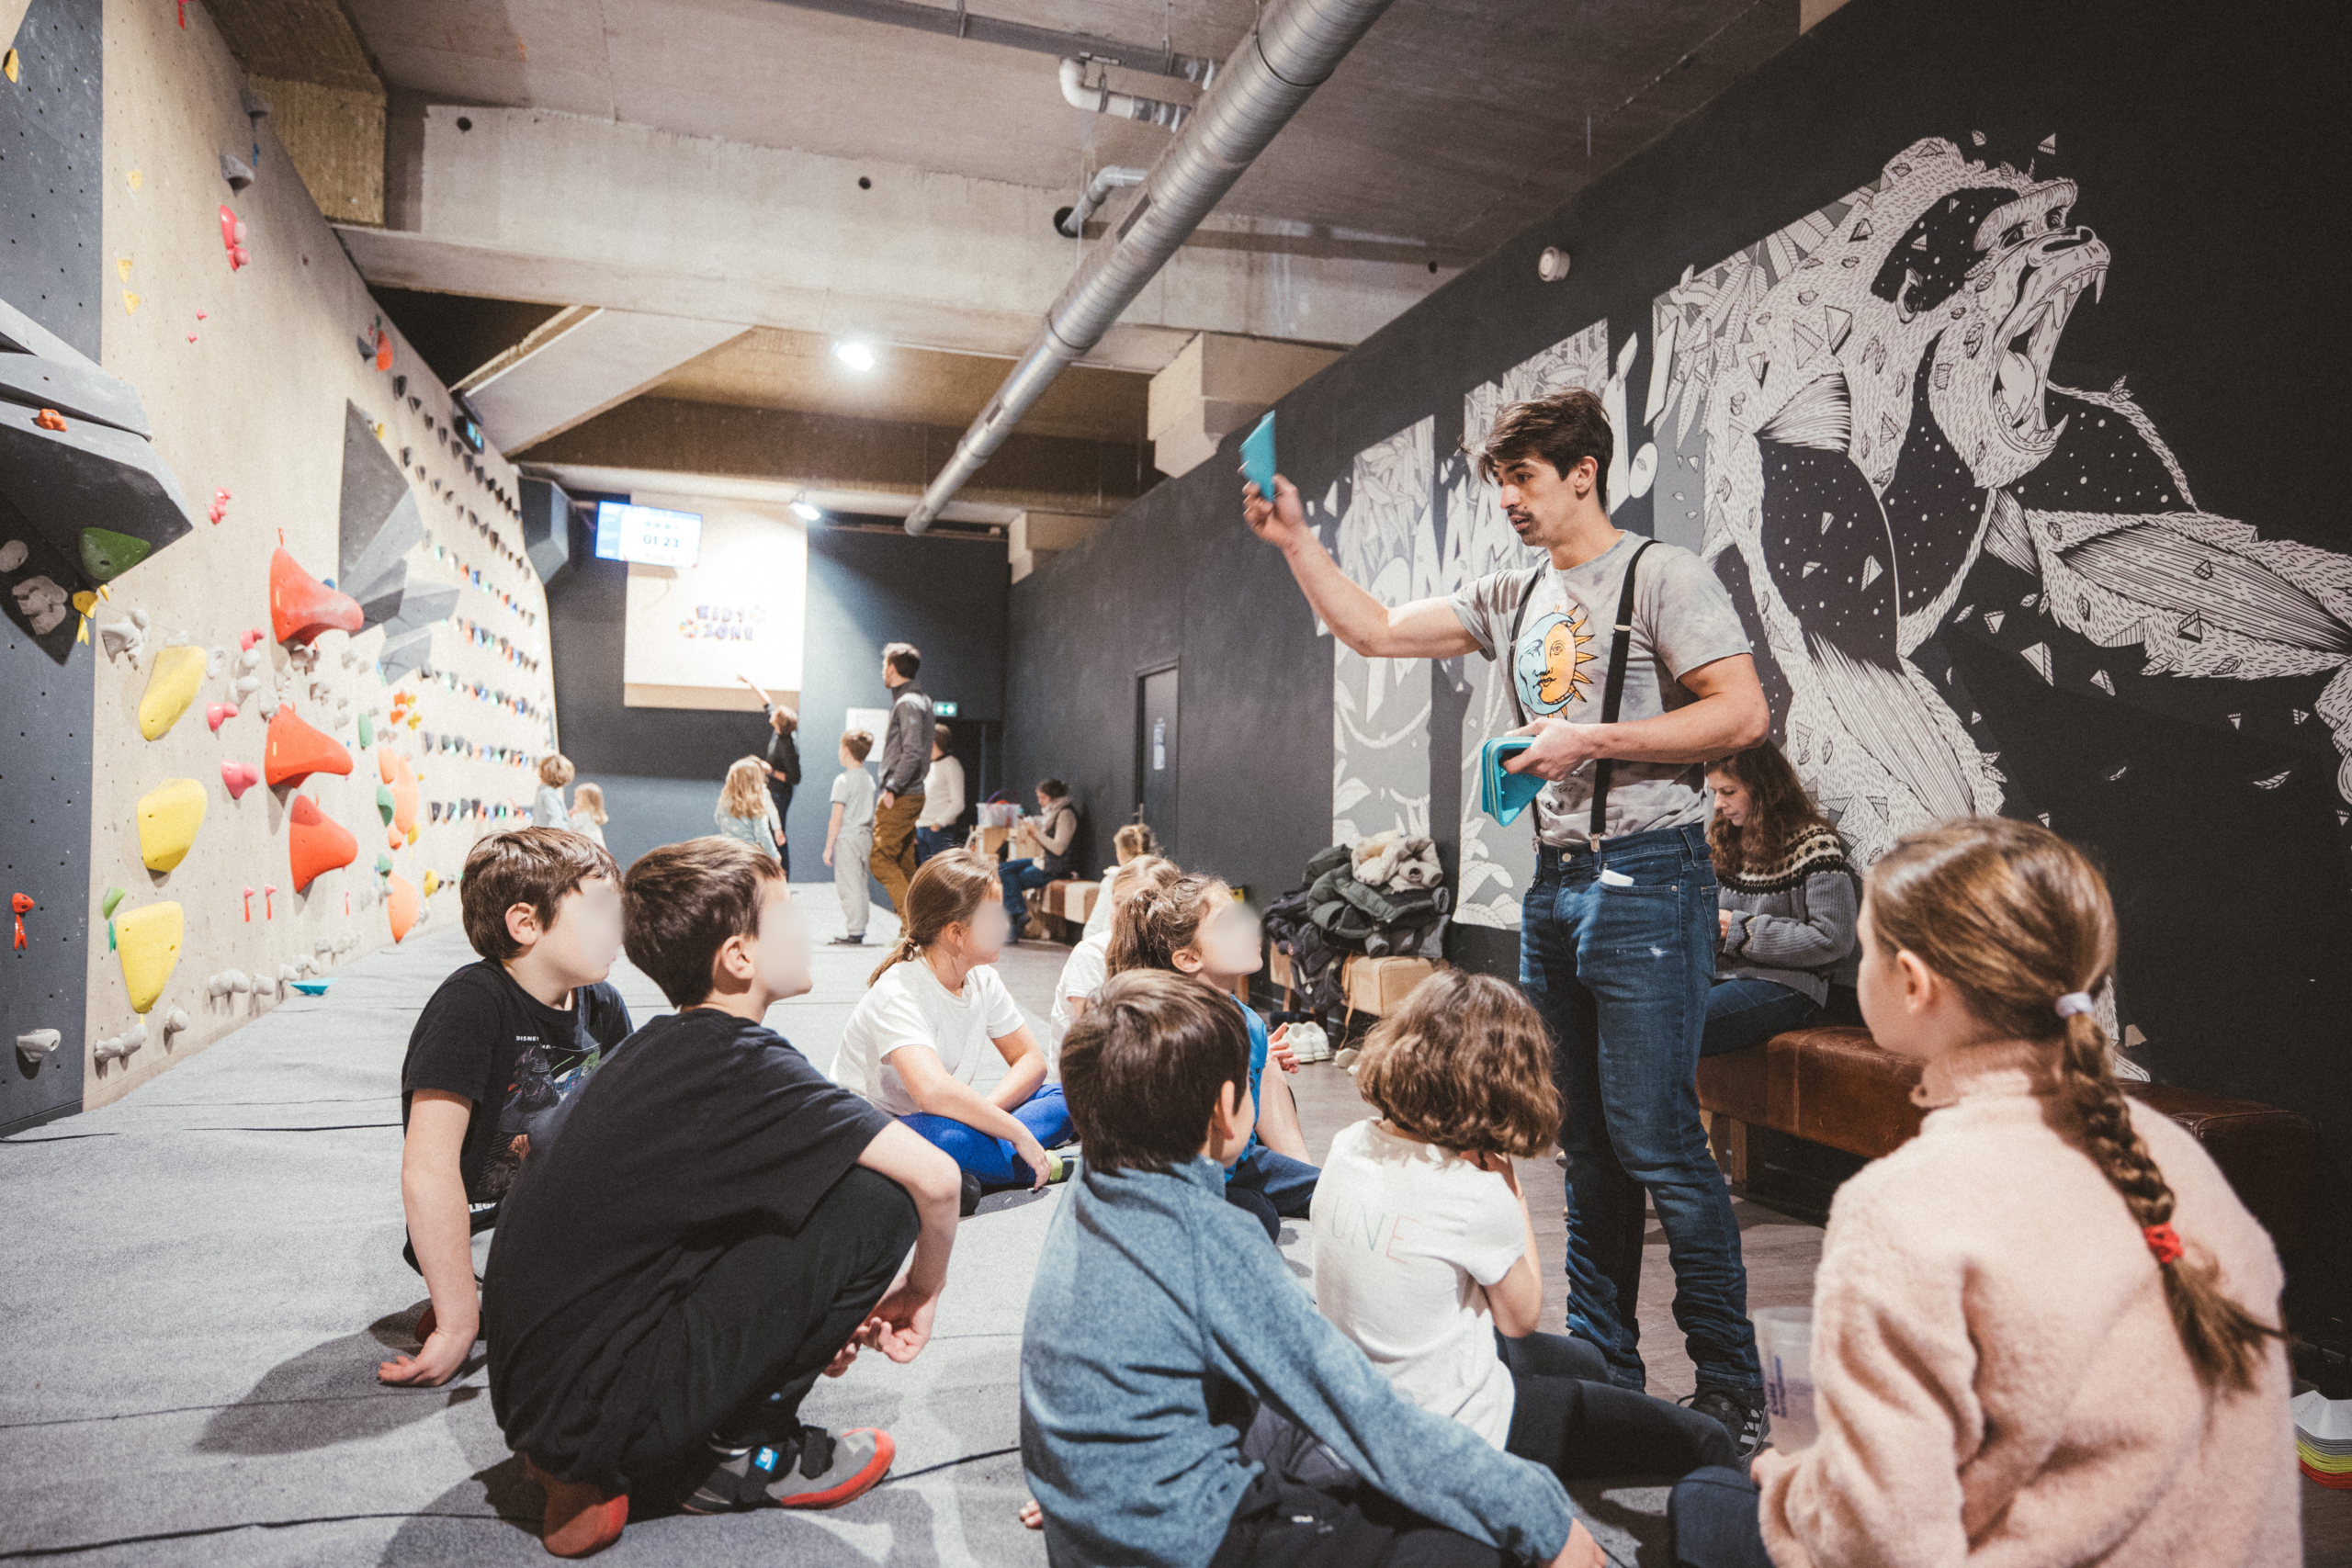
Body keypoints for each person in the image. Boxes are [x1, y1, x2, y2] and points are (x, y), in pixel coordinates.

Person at [1245, 386, 1776, 1451]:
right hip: (1558, 880)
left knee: (1659, 1139)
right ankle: (1607, 1361)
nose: (1509, 501)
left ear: (1584, 470)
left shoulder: (1657, 575)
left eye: (1523, 479)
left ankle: (1728, 1385)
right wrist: (1298, 543)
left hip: (1653, 875)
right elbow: (1379, 629)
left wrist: (1591, 741)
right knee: (1582, 1142)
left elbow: (1743, 712)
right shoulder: (1512, 590)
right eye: (1498, 483)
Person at [1668, 817, 2295, 1568]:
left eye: (1866, 948)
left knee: (1704, 1496)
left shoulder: (1903, 1206)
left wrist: (1789, 1487)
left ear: (1914, 983)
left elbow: (1883, 1537)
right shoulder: (2177, 1163)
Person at [1021, 968, 1604, 1568]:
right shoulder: (1211, 1239)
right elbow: (1360, 1409)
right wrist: (1544, 1518)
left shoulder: (1096, 1182)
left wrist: (1080, 1478)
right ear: (1227, 1108)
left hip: (1092, 1520)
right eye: (1251, 1081)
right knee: (1475, 1540)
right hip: (1188, 1540)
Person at [481, 837, 965, 1556]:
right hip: (596, 1418)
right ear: (738, 956)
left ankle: (607, 1453)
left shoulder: (659, 1047)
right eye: (787, 910)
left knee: (819, 1182)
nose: (803, 923)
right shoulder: (741, 1061)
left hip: (546, 1404)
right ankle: (735, 1453)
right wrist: (919, 1293)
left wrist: (812, 1318)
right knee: (879, 1200)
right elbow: (937, 1179)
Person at [1315, 969, 1735, 1489]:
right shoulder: (1472, 1190)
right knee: (1705, 1440)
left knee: (1586, 1362)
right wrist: (1510, 1186)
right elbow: (1520, 1318)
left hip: (1357, 1394)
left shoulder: (1349, 1143)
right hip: (1449, 1429)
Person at [379, 829, 632, 1390]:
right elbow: (428, 1169)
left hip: (569, 1215)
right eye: (600, 912)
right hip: (491, 1226)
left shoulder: (602, 1004)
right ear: (525, 924)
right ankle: (492, 1303)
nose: (621, 928)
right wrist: (455, 1320)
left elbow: (625, 1138)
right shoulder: (471, 1005)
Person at [834, 852, 1074, 1213]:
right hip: (889, 1129)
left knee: (1065, 1097)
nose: (1005, 923)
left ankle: (956, 1174)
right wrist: (1014, 1131)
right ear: (956, 934)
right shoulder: (898, 990)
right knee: (948, 1137)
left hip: (947, 1119)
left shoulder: (982, 978)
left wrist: (989, 1119)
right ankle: (1025, 1167)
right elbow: (931, 1092)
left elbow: (1030, 1060)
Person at [1108, 871, 1317, 1242]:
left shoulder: (1250, 1021)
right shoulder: (1173, 1034)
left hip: (1239, 1161)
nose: (1252, 923)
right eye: (1229, 923)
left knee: (1327, 1190)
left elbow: (1242, 1139)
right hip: (1178, 1177)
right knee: (1259, 1218)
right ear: (1188, 958)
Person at [1702, 743, 1857, 1058]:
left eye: (1729, 791)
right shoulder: (1723, 838)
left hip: (1788, 987)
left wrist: (1740, 930)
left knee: (1677, 1024)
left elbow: (1834, 939)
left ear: (1763, 789)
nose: (1718, 804)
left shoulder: (1816, 844)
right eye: (1715, 792)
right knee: (1645, 1012)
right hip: (1718, 976)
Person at [1049, 853, 1180, 1071]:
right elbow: (1096, 1038)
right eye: (1119, 903)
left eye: (1143, 904)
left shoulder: (1174, 951)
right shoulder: (1092, 954)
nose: (1126, 914)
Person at [869, 641, 933, 913]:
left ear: (892, 668)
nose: (883, 671)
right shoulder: (922, 700)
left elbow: (912, 752)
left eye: (884, 665)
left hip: (902, 793)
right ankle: (913, 930)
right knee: (905, 863)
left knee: (881, 860)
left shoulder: (907, 703)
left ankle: (912, 927)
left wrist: (893, 788)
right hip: (911, 792)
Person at [739, 674, 801, 881]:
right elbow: (768, 703)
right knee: (771, 833)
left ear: (780, 726)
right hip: (771, 791)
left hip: (780, 794)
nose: (770, 717)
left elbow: (794, 777)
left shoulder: (787, 745)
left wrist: (770, 770)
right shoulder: (779, 729)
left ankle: (783, 879)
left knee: (778, 835)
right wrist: (752, 683)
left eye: (774, 718)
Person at [999, 777, 1077, 942]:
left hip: (1056, 867)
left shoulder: (1065, 814)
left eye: (1042, 797)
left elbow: (1059, 848)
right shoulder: (1053, 813)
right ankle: (1019, 914)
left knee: (1013, 880)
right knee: (1002, 869)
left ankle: (1016, 920)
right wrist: (1033, 832)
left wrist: (1036, 833)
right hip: (1044, 861)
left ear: (1051, 797)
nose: (1039, 801)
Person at [824, 730, 877, 946]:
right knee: (861, 883)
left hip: (847, 837)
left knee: (848, 884)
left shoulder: (843, 780)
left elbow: (836, 817)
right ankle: (860, 927)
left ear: (846, 751)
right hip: (865, 836)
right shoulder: (868, 778)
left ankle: (855, 930)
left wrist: (828, 847)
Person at [1082, 821, 1159, 940]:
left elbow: (1098, 918)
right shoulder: (1156, 878)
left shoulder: (1112, 880)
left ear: (1121, 854)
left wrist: (1086, 942)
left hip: (1112, 941)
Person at [711, 757, 782, 864]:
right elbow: (763, 833)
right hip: (749, 855)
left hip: (728, 852)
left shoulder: (724, 802)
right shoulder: (756, 805)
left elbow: (717, 819)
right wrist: (774, 855)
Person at [913, 722, 966, 866]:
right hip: (923, 829)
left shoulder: (951, 765)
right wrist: (917, 825)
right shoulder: (931, 766)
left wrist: (938, 824)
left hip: (938, 831)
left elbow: (958, 803)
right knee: (926, 875)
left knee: (940, 874)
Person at [531, 754, 574, 829]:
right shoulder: (548, 792)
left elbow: (557, 819)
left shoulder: (547, 793)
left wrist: (545, 838)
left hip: (545, 838)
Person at [566, 782, 609, 850]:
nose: (574, 800)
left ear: (586, 800)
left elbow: (570, 826)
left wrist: (569, 814)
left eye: (577, 798)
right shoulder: (591, 815)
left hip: (589, 849)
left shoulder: (585, 815)